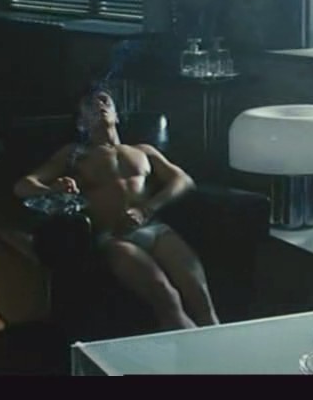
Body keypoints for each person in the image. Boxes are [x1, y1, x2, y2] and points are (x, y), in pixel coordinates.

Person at [13, 86, 220, 330]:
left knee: (200, 297)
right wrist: (53, 188)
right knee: (165, 295)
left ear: (117, 115)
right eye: (90, 105)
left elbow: (183, 181)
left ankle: (222, 349)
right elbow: (23, 186)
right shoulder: (74, 154)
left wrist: (146, 209)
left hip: (153, 229)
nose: (99, 105)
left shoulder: (143, 151)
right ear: (81, 123)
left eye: (104, 101)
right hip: (113, 237)